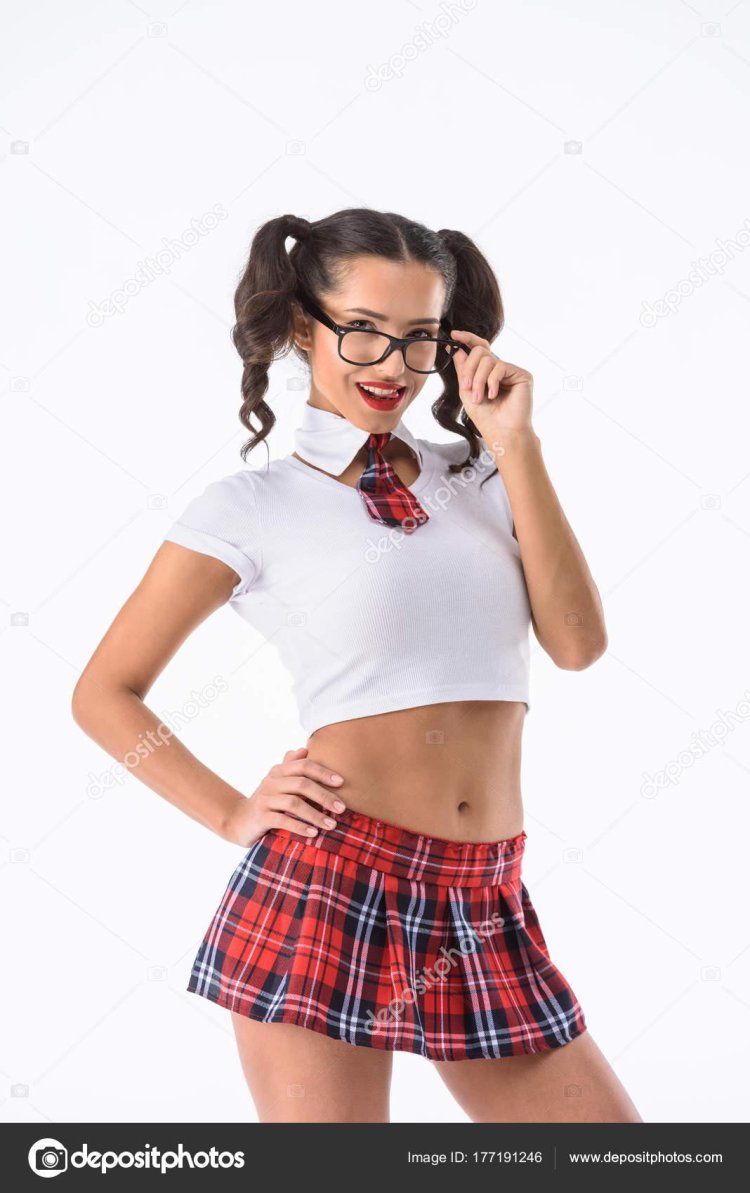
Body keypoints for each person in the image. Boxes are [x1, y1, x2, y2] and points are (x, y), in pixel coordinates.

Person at [71, 207, 642, 1125]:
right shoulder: (251, 507)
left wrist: (515, 445)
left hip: (482, 894)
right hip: (329, 885)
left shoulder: (486, 475)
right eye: (363, 331)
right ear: (305, 327)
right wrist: (231, 811)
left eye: (419, 339)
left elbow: (577, 645)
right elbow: (103, 693)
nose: (392, 366)